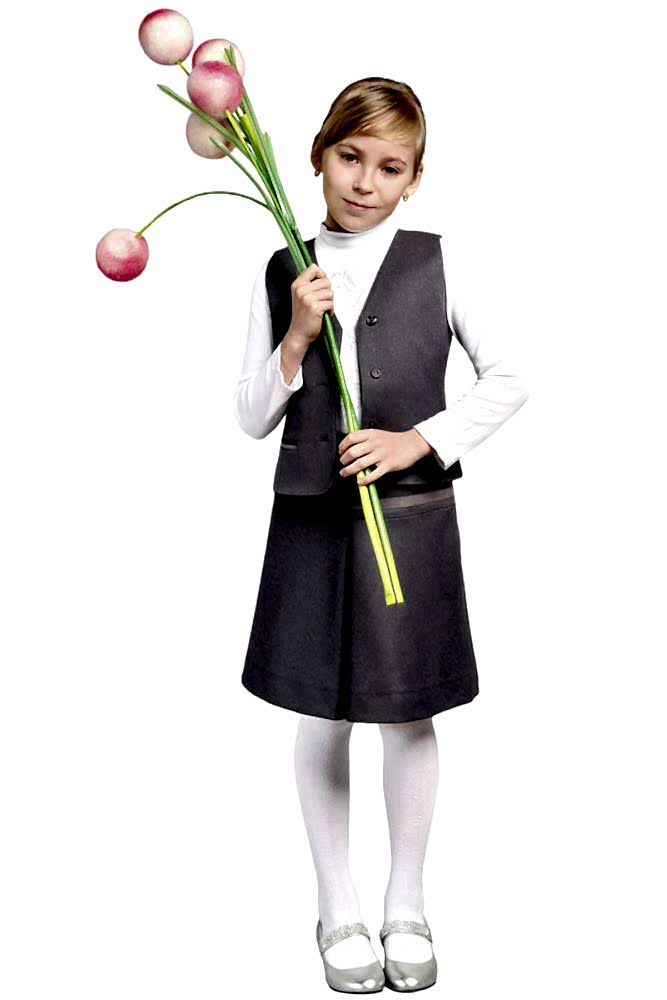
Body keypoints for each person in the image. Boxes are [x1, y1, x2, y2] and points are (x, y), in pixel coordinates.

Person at [233, 77, 530, 994]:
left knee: (408, 709)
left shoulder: (441, 259)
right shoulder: (282, 267)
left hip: (408, 520)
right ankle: (336, 905)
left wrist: (417, 440)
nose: (365, 182)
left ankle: (407, 901)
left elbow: (509, 376)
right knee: (320, 707)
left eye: (389, 167)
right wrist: (295, 336)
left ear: (414, 178)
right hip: (313, 521)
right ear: (317, 157)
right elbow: (250, 415)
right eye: (349, 157)